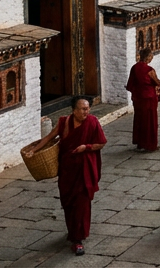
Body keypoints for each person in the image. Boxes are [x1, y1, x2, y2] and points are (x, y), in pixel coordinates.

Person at [25, 97, 106, 256]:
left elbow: (101, 142)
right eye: (82, 109)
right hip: (67, 170)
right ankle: (73, 230)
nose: (86, 112)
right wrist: (34, 150)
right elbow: (48, 138)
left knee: (81, 204)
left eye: (87, 108)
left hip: (84, 170)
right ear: (74, 110)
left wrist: (86, 147)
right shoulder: (64, 122)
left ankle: (78, 239)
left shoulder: (92, 122)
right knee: (68, 202)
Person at [125, 48, 160, 152]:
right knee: (150, 121)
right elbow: (157, 82)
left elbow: (130, 85)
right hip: (149, 98)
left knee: (139, 120)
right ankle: (150, 145)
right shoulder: (149, 70)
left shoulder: (134, 68)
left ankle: (140, 143)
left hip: (138, 98)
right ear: (148, 57)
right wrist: (159, 82)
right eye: (151, 56)